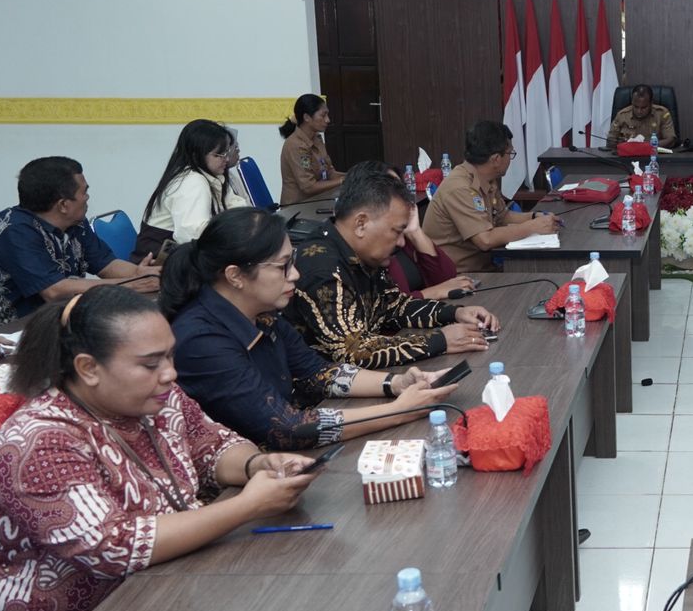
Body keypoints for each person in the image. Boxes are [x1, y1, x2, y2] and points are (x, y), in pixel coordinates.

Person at [0, 286, 318, 611]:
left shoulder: (156, 398)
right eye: (151, 363)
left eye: (169, 356)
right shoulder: (40, 441)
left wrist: (258, 465)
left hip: (154, 602)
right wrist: (248, 506)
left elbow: (213, 446)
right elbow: (114, 546)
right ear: (88, 368)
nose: (169, 373)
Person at [162, 207, 461, 449]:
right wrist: (399, 410)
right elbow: (287, 428)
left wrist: (396, 384)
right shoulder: (201, 340)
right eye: (282, 266)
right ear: (235, 276)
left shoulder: (261, 312)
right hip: (243, 481)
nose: (295, 274)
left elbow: (317, 373)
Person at [283, 168, 496, 368]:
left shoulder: (361, 252)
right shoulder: (321, 266)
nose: (402, 243)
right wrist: (440, 340)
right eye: (396, 231)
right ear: (361, 224)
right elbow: (353, 350)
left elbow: (394, 306)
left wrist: (455, 313)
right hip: (326, 389)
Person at [0, 157, 161, 333]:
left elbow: (106, 264)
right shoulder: (15, 230)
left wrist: (142, 274)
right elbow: (55, 291)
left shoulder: (75, 223)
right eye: (84, 192)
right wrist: (130, 285)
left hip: (41, 323)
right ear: (63, 205)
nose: (87, 197)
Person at [421, 120, 559, 273]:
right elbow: (485, 240)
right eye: (510, 154)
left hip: (483, 268)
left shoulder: (485, 177)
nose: (510, 159)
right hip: (459, 275)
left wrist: (534, 217)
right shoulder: (460, 188)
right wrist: (531, 227)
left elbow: (502, 216)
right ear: (496, 159)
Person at [346, 161, 472, 301]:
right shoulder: (370, 246)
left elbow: (448, 279)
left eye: (401, 189)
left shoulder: (403, 235)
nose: (401, 196)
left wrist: (415, 232)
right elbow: (388, 304)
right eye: (392, 190)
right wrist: (432, 293)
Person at [134, 118, 250, 260]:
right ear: (197, 155)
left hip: (184, 256)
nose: (226, 159)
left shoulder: (213, 176)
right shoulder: (192, 182)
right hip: (159, 263)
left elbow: (236, 209)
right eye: (219, 155)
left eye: (226, 152)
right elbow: (192, 236)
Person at [278, 93, 345, 206]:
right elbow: (308, 187)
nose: (328, 120)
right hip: (298, 208)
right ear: (307, 117)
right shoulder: (296, 145)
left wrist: (353, 176)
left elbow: (329, 173)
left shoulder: (317, 139)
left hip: (318, 201)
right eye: (323, 115)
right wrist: (343, 181)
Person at [608, 84, 676, 148]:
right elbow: (610, 141)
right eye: (636, 107)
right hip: (628, 154)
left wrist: (645, 146)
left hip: (654, 154)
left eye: (644, 108)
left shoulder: (662, 113)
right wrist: (619, 143)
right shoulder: (622, 115)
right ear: (632, 102)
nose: (639, 111)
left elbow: (670, 139)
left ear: (651, 103)